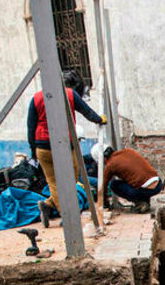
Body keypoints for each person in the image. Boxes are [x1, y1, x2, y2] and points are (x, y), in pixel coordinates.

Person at [28, 70, 106, 227]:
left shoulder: (36, 98)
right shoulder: (69, 94)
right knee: (71, 179)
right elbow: (87, 112)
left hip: (42, 146)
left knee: (54, 182)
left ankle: (48, 205)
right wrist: (99, 119)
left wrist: (32, 151)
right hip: (65, 143)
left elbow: (30, 127)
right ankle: (69, 215)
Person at [103, 147, 165, 213]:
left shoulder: (110, 165)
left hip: (146, 189)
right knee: (134, 180)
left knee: (114, 185)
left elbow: (103, 187)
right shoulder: (128, 151)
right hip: (158, 184)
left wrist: (105, 203)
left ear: (104, 158)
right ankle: (145, 202)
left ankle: (140, 203)